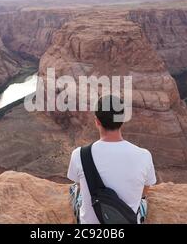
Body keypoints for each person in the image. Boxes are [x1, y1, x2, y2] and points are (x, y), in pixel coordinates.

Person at [67, 95, 156, 224]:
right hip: (127, 220)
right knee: (143, 203)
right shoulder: (144, 155)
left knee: (74, 189)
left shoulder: (79, 155)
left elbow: (81, 185)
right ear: (123, 120)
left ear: (97, 121)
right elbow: (144, 191)